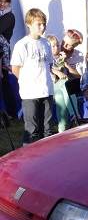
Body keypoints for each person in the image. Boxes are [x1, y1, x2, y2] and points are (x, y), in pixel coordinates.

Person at [10, 8, 54, 144]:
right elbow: (15, 68)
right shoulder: (22, 45)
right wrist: (27, 82)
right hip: (30, 93)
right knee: (32, 129)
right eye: (39, 24)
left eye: (44, 23)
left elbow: (49, 64)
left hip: (47, 90)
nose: (42, 27)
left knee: (48, 128)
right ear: (29, 24)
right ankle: (29, 157)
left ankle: (48, 155)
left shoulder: (46, 43)